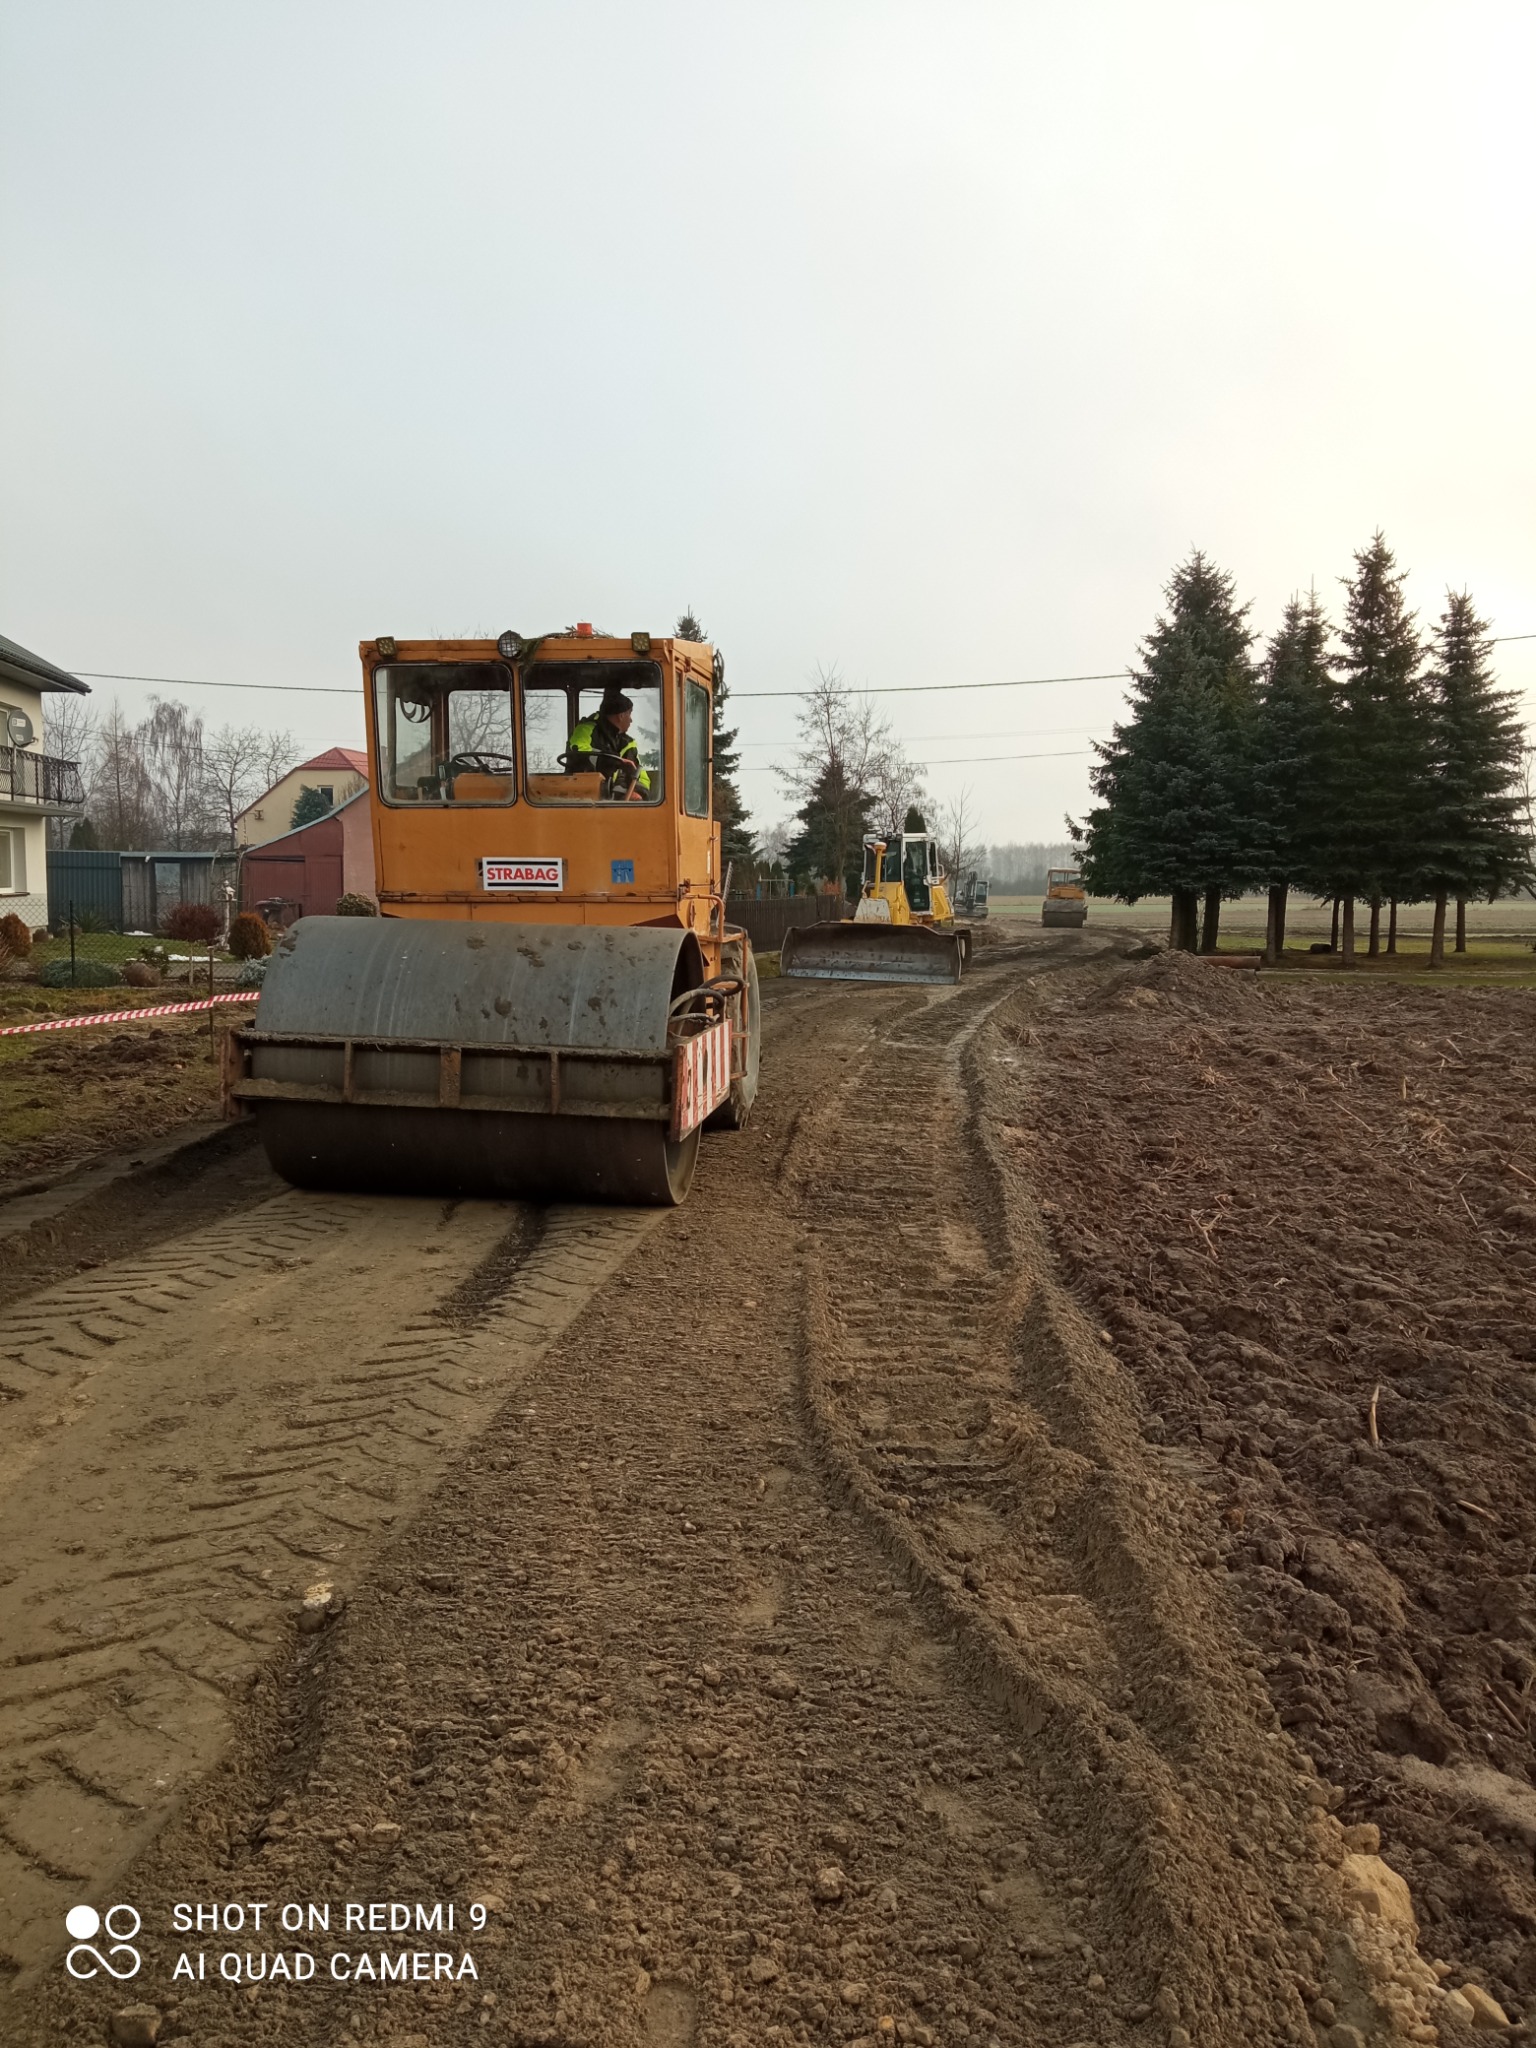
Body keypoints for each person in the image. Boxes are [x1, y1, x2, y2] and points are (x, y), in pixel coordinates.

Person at [566, 691, 650, 800]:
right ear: (621, 716)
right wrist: (615, 761)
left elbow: (640, 774)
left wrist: (638, 792)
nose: (631, 720)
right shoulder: (585, 730)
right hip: (579, 796)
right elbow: (579, 752)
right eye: (629, 714)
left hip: (615, 803)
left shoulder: (628, 744)